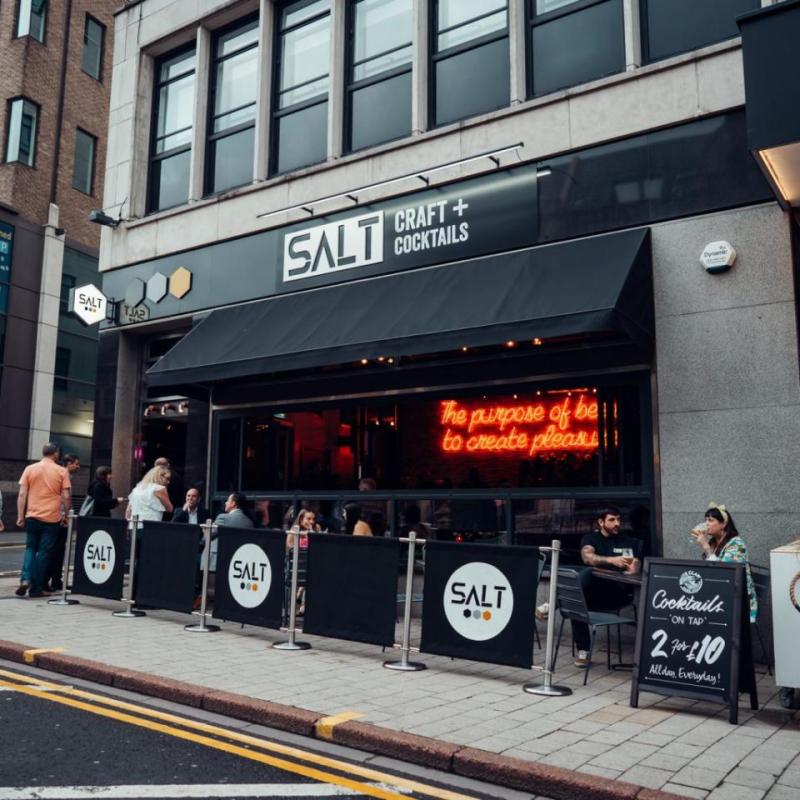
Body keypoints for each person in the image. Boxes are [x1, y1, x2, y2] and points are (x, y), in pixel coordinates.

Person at [570, 506, 642, 667]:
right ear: (601, 522)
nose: (617, 523)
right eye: (612, 520)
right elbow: (587, 557)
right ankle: (583, 652)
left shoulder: (629, 541)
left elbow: (635, 566)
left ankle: (550, 605)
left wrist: (633, 567)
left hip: (618, 594)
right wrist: (611, 560)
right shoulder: (590, 539)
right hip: (595, 594)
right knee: (576, 600)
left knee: (586, 575)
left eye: (619, 519)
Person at [15, 443, 72, 598]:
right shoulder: (61, 471)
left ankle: (25, 578)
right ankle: (36, 589)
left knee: (30, 548)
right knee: (44, 553)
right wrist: (66, 516)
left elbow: (22, 494)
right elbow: (66, 497)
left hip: (32, 516)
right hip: (51, 518)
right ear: (55, 453)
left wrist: (20, 516)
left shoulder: (29, 469)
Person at [690, 503, 757, 622]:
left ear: (723, 524)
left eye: (711, 520)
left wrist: (706, 547)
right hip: (719, 594)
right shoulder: (714, 542)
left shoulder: (737, 544)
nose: (706, 524)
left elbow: (725, 573)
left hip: (737, 599)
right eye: (706, 520)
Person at [44, 454, 82, 591]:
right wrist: (66, 515)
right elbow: (64, 498)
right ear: (69, 463)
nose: (78, 467)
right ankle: (45, 581)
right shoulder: (62, 475)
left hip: (58, 517)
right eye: (76, 464)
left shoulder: (65, 476)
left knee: (59, 550)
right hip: (59, 518)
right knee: (55, 550)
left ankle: (56, 580)